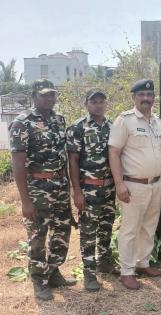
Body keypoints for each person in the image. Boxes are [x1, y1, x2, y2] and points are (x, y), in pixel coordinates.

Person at [9, 79, 76, 301]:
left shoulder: (58, 119)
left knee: (62, 231)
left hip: (60, 185)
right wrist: (25, 201)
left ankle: (54, 271)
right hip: (37, 187)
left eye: (53, 94)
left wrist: (68, 186)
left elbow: (62, 155)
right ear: (34, 96)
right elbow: (18, 164)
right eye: (45, 94)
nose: (50, 98)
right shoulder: (22, 122)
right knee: (38, 235)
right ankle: (39, 280)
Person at [108, 79, 161, 290]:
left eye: (149, 95)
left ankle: (142, 264)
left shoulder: (157, 122)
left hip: (156, 183)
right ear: (134, 98)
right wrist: (119, 184)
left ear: (153, 98)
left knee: (149, 226)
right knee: (130, 229)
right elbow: (114, 152)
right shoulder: (124, 120)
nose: (146, 99)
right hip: (133, 184)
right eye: (141, 96)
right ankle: (126, 271)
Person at [66, 89, 119, 292]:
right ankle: (89, 273)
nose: (98, 104)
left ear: (106, 104)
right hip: (88, 188)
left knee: (106, 226)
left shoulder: (113, 127)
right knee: (88, 232)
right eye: (93, 101)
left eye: (101, 101)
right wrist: (76, 191)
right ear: (86, 104)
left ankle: (105, 262)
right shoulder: (78, 127)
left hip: (108, 188)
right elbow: (73, 161)